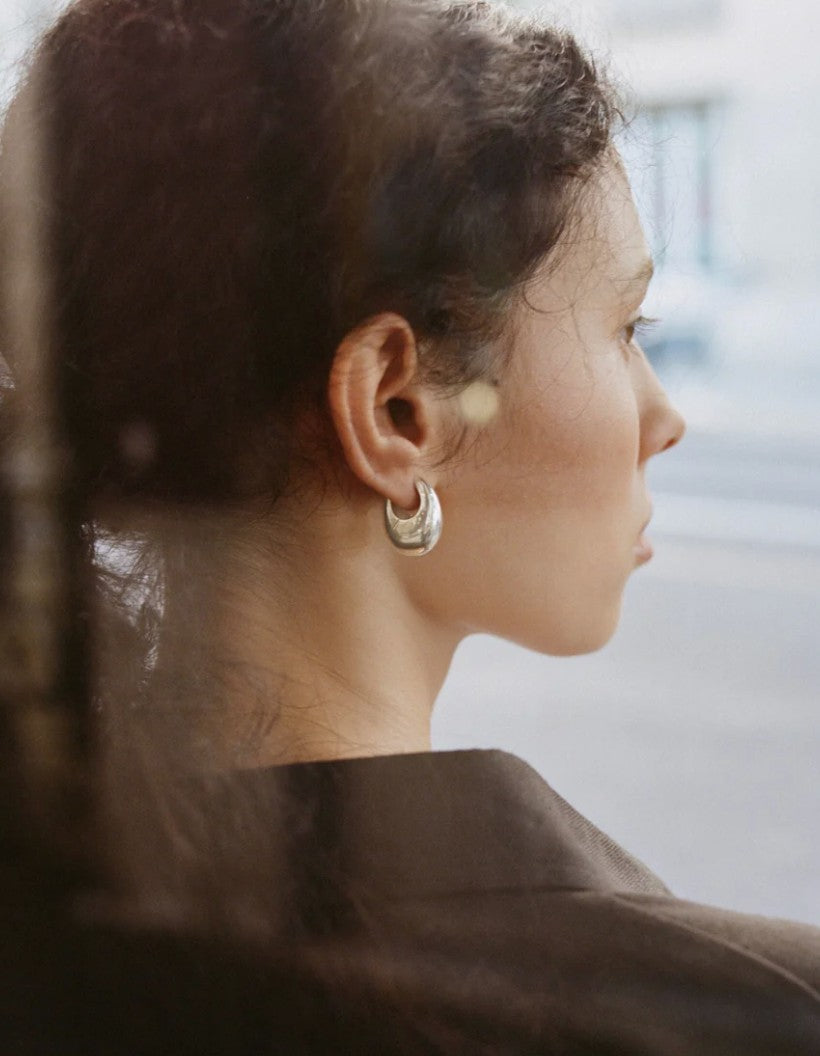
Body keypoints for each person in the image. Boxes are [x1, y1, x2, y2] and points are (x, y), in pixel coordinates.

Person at [0, 0, 818, 1052]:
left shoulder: (59, 931)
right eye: (626, 329)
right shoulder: (750, 1015)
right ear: (395, 411)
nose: (665, 418)